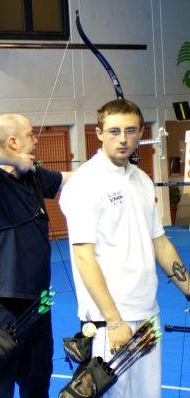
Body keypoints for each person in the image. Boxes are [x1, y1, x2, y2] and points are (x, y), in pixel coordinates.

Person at [59, 99, 190, 397]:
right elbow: (83, 255)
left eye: (130, 131)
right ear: (99, 133)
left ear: (140, 132)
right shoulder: (85, 183)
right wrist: (114, 320)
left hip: (147, 312)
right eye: (114, 130)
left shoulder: (141, 180)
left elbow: (159, 242)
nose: (123, 139)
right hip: (110, 321)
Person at [0, 114, 71, 397]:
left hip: (38, 304)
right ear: (12, 141)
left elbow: (69, 179)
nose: (36, 140)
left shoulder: (33, 177)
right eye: (30, 135)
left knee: (37, 384)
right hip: (1, 303)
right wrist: (15, 161)